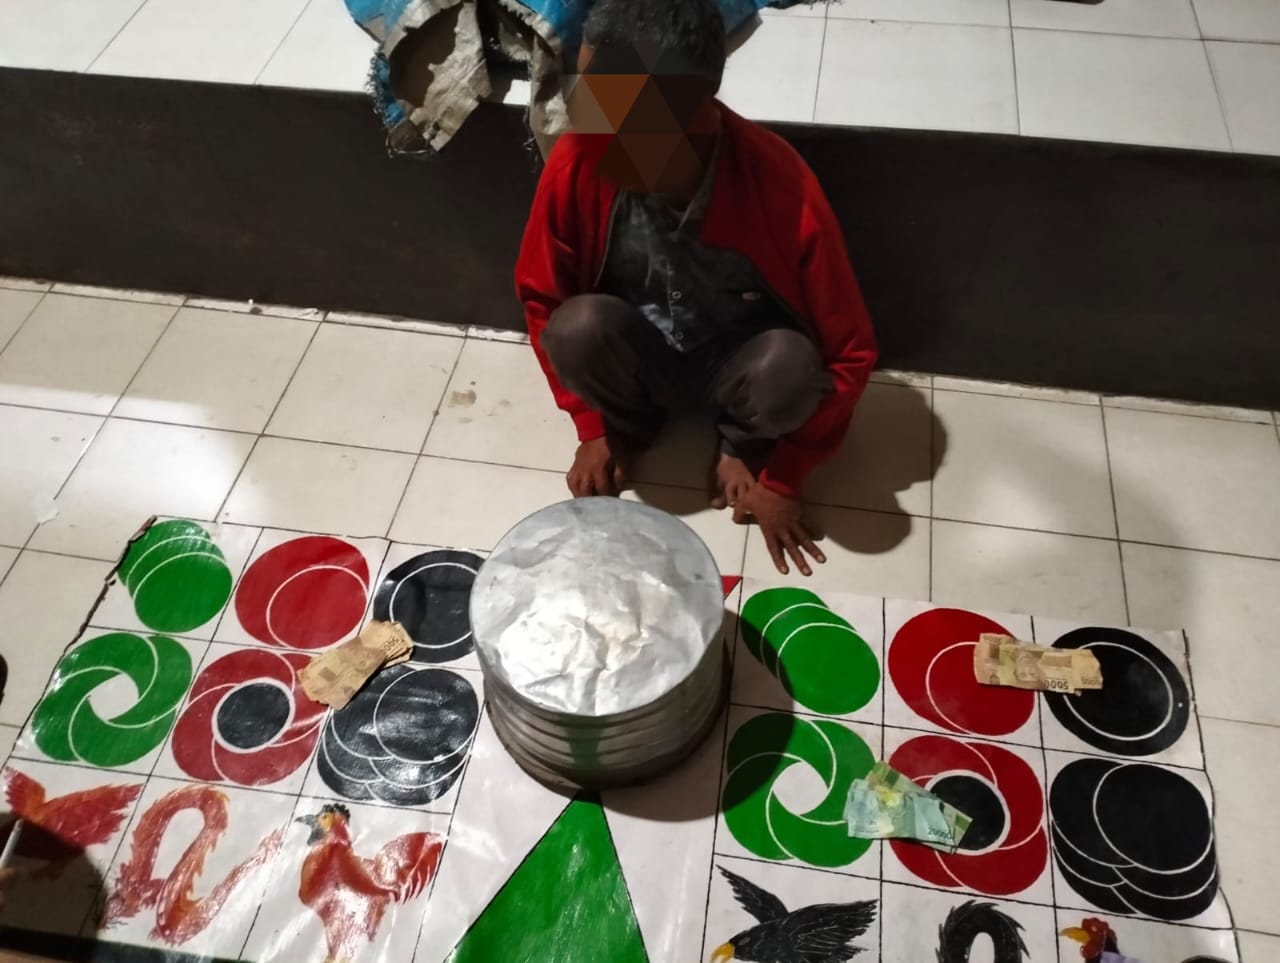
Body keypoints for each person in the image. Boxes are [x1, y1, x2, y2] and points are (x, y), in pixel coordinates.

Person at [515, 0, 877, 576]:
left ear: (697, 111)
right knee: (576, 329)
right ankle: (634, 426)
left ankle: (739, 442)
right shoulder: (580, 159)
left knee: (787, 369)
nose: (589, 123)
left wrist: (782, 473)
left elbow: (850, 353)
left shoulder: (780, 186)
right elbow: (541, 298)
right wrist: (593, 425)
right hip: (643, 352)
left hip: (740, 362)